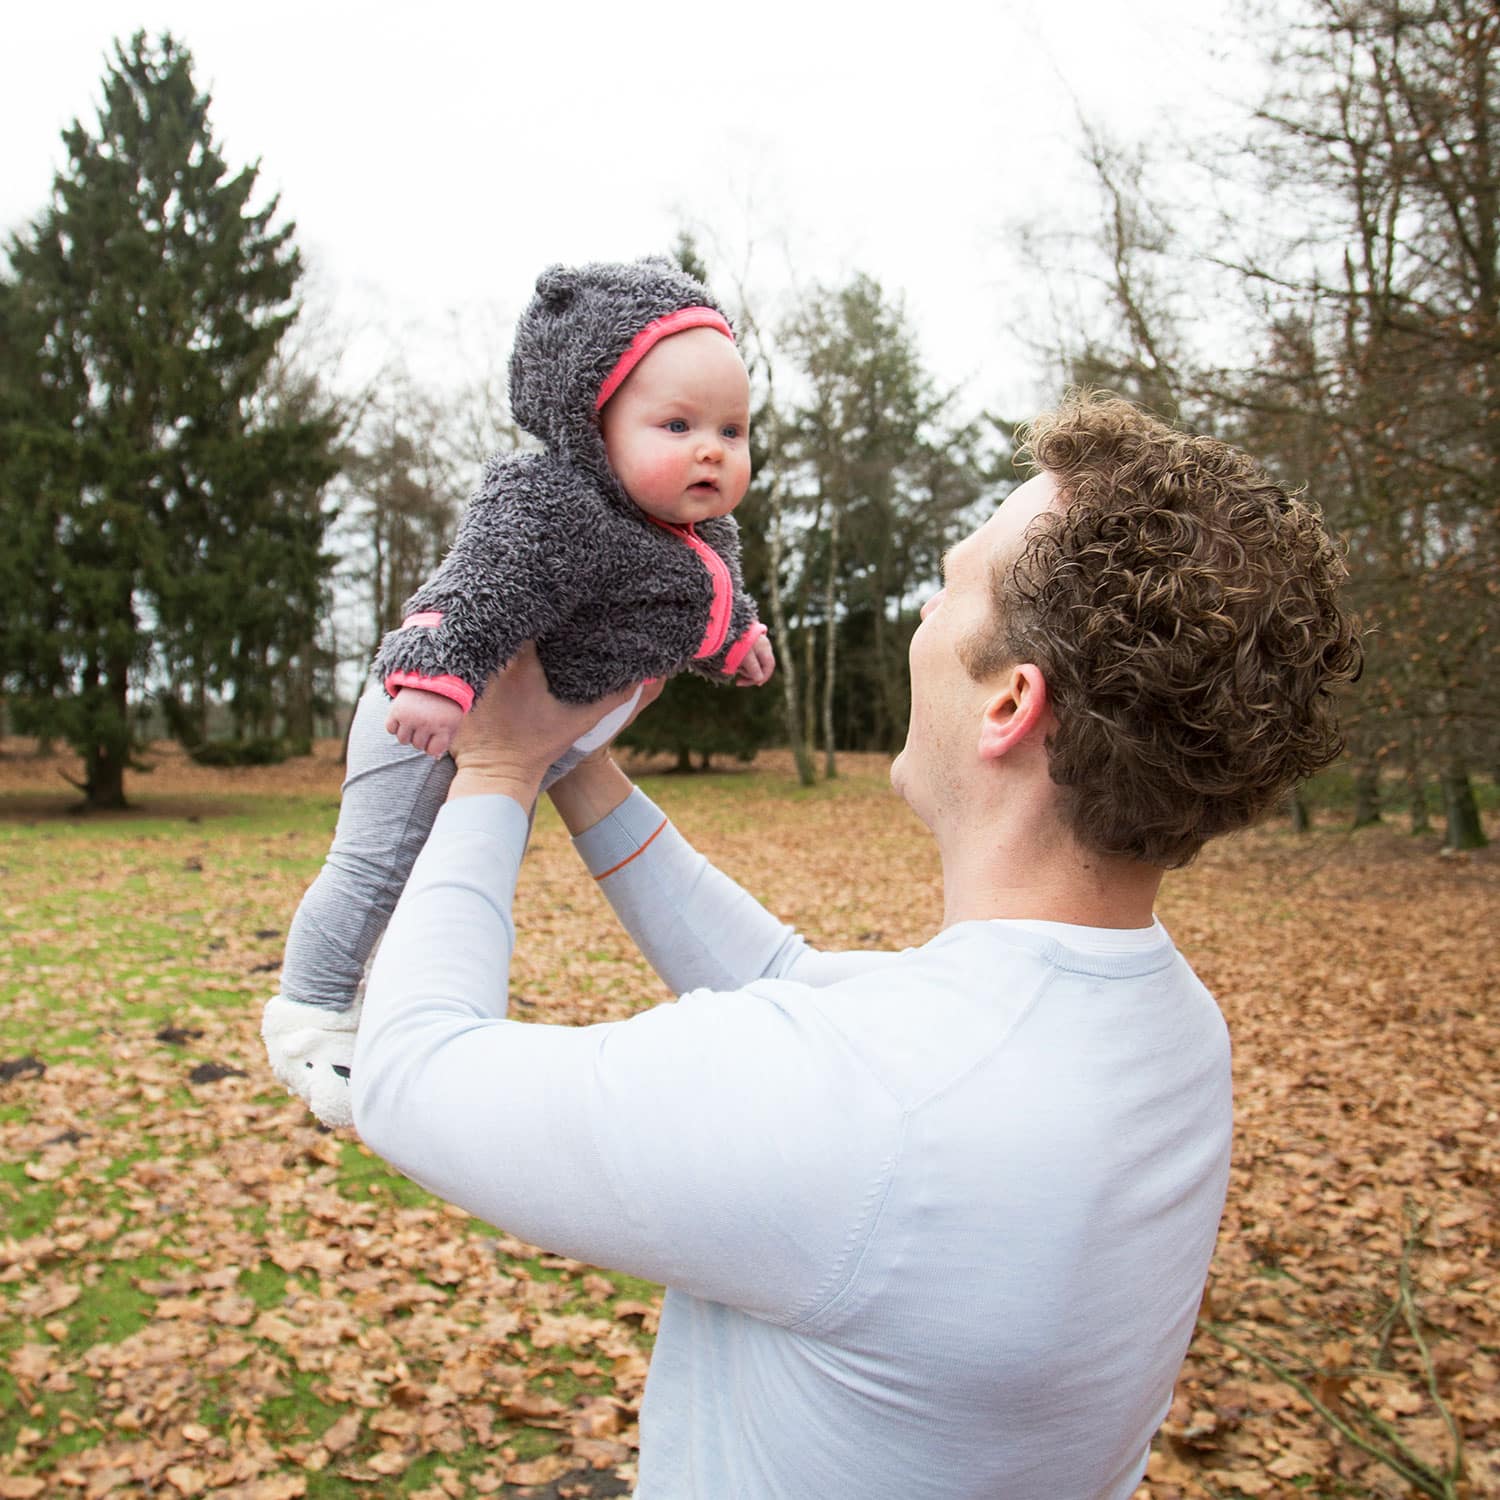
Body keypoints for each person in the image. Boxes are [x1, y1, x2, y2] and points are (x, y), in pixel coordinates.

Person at [350, 393, 1362, 1499]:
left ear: (1010, 704)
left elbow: (410, 1074)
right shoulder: (1170, 1028)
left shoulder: (878, 1109)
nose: (923, 612)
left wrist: (497, 768)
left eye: (951, 586)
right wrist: (572, 760)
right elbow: (793, 982)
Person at [262, 257, 775, 1128]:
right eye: (677, 424)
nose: (712, 450)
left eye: (733, 430)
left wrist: (737, 639)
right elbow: (479, 586)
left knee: (429, 878)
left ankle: (383, 1009)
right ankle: (309, 1013)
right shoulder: (551, 504)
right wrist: (440, 676)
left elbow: (703, 598)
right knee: (374, 864)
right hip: (432, 708)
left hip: (531, 741)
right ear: (591, 425)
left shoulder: (700, 533)